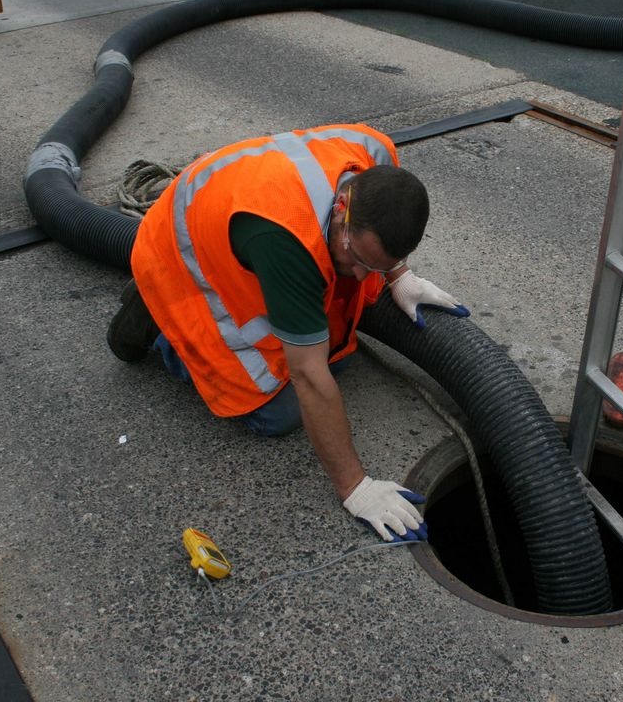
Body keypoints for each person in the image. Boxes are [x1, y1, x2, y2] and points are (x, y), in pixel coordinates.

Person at [107, 123, 469, 542]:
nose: (359, 275)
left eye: (372, 265)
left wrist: (398, 276)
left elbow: (370, 252)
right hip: (185, 256)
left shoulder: (377, 157)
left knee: (339, 355)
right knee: (281, 411)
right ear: (342, 207)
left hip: (239, 207)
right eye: (357, 257)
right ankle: (158, 322)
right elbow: (309, 378)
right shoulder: (287, 237)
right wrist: (356, 487)